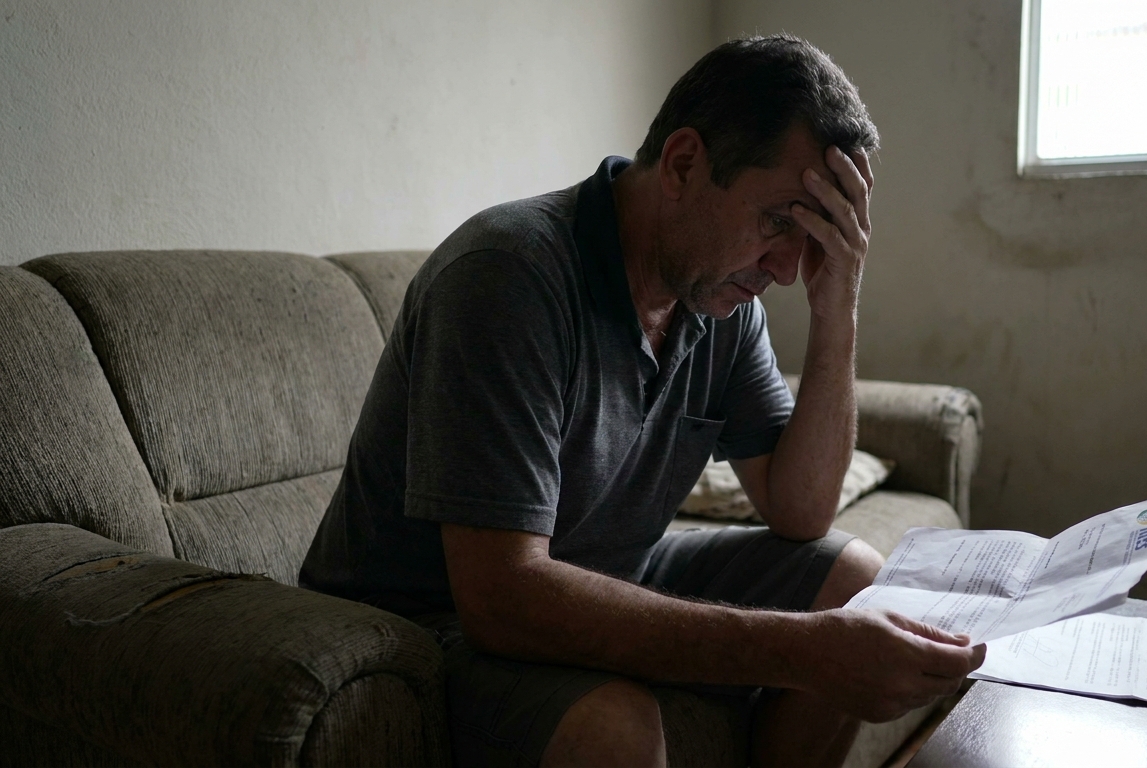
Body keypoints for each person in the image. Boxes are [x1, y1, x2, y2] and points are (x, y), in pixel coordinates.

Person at [299, 34, 985, 768]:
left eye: (814, 235)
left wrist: (836, 307)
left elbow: (801, 510)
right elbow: (502, 596)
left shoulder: (721, 303)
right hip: (426, 618)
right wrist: (802, 651)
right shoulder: (507, 277)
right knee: (614, 727)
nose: (788, 270)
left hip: (604, 568)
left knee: (854, 580)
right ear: (684, 163)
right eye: (779, 221)